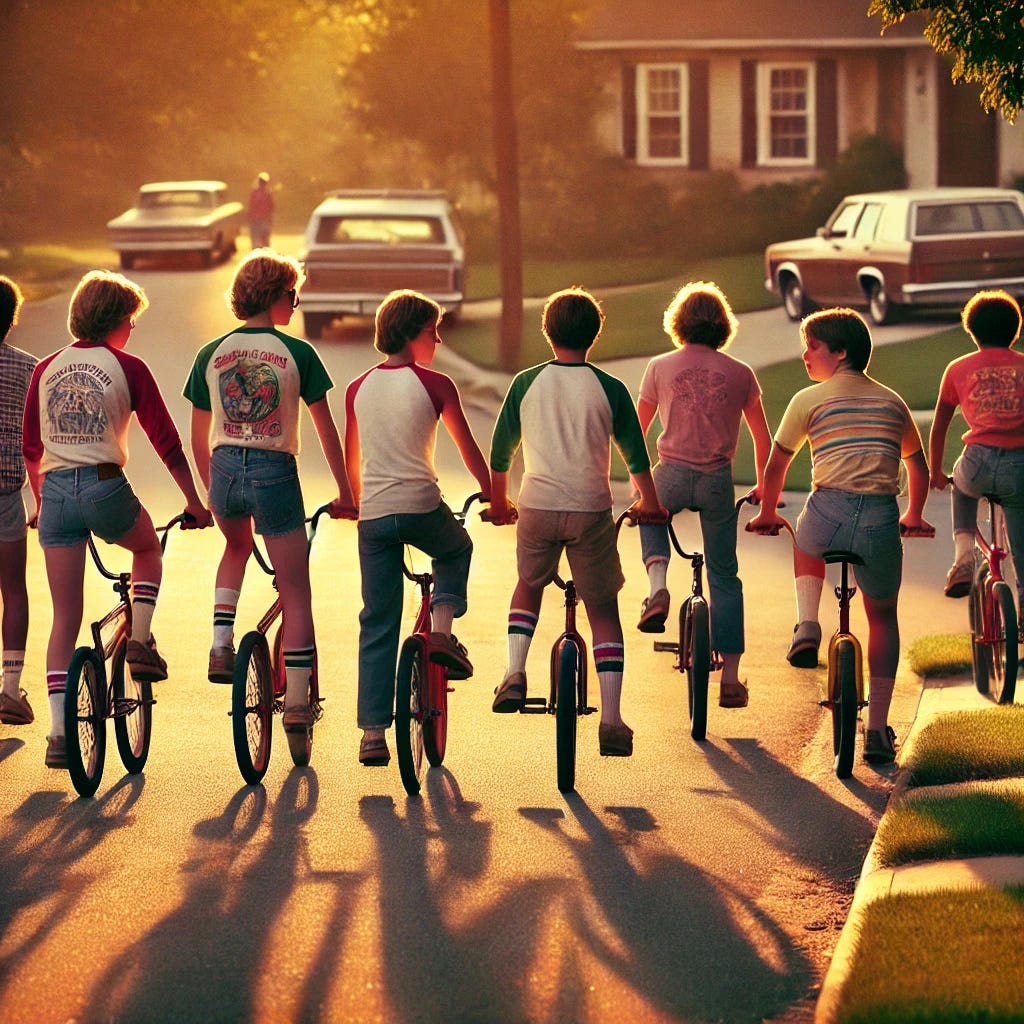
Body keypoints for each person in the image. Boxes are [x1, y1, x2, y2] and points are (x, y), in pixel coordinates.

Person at [23, 270, 211, 769]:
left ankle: (60, 735)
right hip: (106, 486)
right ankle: (142, 642)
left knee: (65, 617)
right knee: (147, 549)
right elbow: (165, 440)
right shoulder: (128, 367)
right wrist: (195, 502)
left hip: (58, 494)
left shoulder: (45, 369)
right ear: (113, 320)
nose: (133, 330)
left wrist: (42, 503)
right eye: (130, 320)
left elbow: (31, 447)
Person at [747, 307, 933, 764]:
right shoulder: (892, 402)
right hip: (879, 516)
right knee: (883, 616)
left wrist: (768, 511)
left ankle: (808, 623)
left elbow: (776, 465)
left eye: (813, 346)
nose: (805, 355)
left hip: (827, 507)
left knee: (804, 543)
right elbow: (918, 466)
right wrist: (914, 513)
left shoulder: (808, 399)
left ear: (841, 351)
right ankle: (876, 729)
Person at [487, 287, 666, 758]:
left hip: (538, 505)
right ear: (595, 334)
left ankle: (514, 673)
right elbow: (636, 456)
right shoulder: (610, 389)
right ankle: (610, 718)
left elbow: (501, 452)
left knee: (528, 585)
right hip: (590, 510)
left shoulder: (526, 384)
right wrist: (650, 503)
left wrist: (501, 502)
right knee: (602, 608)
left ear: (547, 331)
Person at [185, 250, 357, 733]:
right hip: (274, 472)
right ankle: (299, 703)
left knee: (235, 546)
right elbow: (326, 430)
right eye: (292, 294)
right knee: (296, 589)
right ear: (275, 296)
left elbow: (198, 436)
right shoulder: (298, 354)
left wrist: (211, 486)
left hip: (224, 472)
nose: (296, 303)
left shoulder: (211, 354)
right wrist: (345, 492)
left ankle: (221, 644)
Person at [344, 289, 491, 767]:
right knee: (455, 550)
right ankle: (443, 634)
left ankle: (371, 734)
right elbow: (468, 448)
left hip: (376, 516)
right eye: (433, 331)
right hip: (422, 506)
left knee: (377, 620)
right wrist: (493, 493)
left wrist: (354, 503)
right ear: (411, 333)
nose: (439, 338)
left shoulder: (357, 388)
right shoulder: (435, 384)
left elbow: (352, 460)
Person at [634, 281, 771, 709]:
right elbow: (762, 438)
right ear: (723, 326)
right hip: (716, 480)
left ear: (678, 323)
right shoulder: (741, 373)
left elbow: (634, 435)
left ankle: (658, 586)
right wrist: (765, 488)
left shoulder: (659, 366)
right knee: (725, 575)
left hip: (670, 474)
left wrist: (642, 492)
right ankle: (729, 678)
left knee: (649, 515)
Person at [928, 288, 1024, 614]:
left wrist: (935, 471)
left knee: (961, 485)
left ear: (971, 330)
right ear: (1016, 330)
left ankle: (964, 557)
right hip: (1018, 465)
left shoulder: (957, 368)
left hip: (977, 461)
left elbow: (940, 423)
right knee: (1022, 549)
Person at [0, 278, 38, 728]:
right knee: (13, 591)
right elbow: (36, 442)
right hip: (6, 497)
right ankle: (10, 690)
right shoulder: (28, 369)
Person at [247, 172, 274, 249]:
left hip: (261, 220)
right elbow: (271, 207)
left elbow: (270, 207)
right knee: (261, 241)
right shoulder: (266, 193)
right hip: (258, 220)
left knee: (260, 241)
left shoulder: (259, 193)